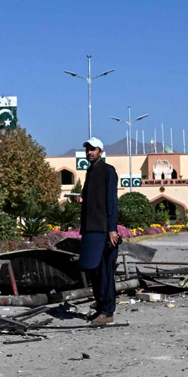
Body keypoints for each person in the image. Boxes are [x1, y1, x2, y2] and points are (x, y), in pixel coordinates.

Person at [78, 137, 120, 326]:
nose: (89, 152)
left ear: (100, 152)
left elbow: (111, 201)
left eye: (93, 149)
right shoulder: (90, 171)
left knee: (104, 272)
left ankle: (107, 311)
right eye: (87, 149)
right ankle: (100, 306)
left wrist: (112, 229)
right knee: (93, 271)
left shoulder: (107, 171)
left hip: (103, 231)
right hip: (91, 230)